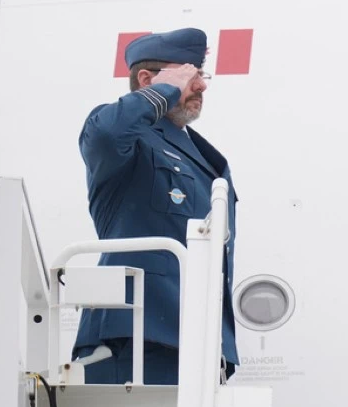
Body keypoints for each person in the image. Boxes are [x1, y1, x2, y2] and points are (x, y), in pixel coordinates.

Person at [72, 28, 239, 385]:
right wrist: (164, 90)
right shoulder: (123, 136)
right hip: (136, 338)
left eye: (200, 76)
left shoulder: (198, 154)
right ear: (147, 79)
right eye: (189, 75)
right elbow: (107, 135)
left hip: (198, 341)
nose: (201, 86)